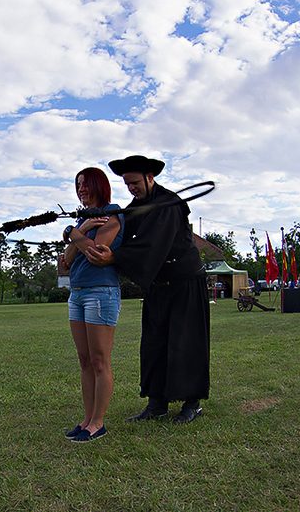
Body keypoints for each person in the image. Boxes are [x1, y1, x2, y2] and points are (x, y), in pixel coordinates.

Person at [85, 155, 210, 425]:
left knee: (186, 343)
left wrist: (115, 257)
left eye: (135, 183)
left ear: (150, 178)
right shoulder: (137, 207)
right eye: (127, 185)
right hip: (157, 286)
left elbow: (152, 244)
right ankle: (156, 404)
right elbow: (121, 229)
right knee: (153, 345)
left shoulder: (168, 204)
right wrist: (88, 227)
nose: (131, 188)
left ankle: (192, 403)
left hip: (185, 283)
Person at [59, 167, 124, 442]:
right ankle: (86, 420)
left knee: (99, 360)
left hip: (101, 292)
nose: (81, 189)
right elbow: (67, 260)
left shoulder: (112, 213)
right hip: (77, 293)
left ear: (100, 185)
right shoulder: (83, 219)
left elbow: (97, 252)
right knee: (84, 360)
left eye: (86, 183)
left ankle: (98, 423)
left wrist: (72, 232)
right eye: (78, 185)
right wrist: (80, 229)